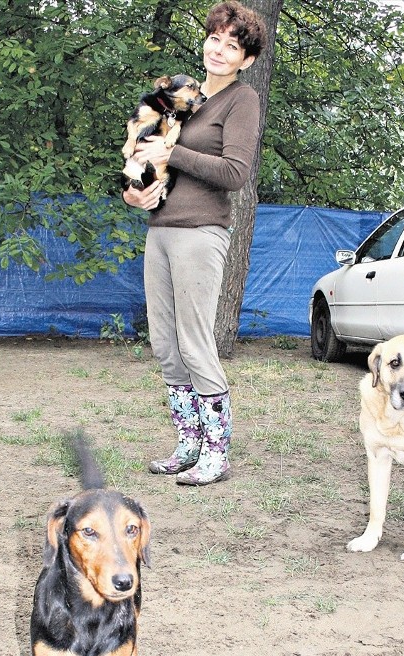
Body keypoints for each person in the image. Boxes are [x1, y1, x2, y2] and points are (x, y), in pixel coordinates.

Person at [122, 1, 267, 486]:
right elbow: (146, 156)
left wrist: (174, 151)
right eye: (215, 38)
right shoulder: (185, 97)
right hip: (160, 231)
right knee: (165, 344)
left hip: (201, 234)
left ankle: (216, 452)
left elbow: (236, 173)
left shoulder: (240, 101)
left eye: (233, 44)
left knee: (195, 342)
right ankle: (188, 443)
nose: (220, 49)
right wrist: (135, 191)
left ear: (246, 59)